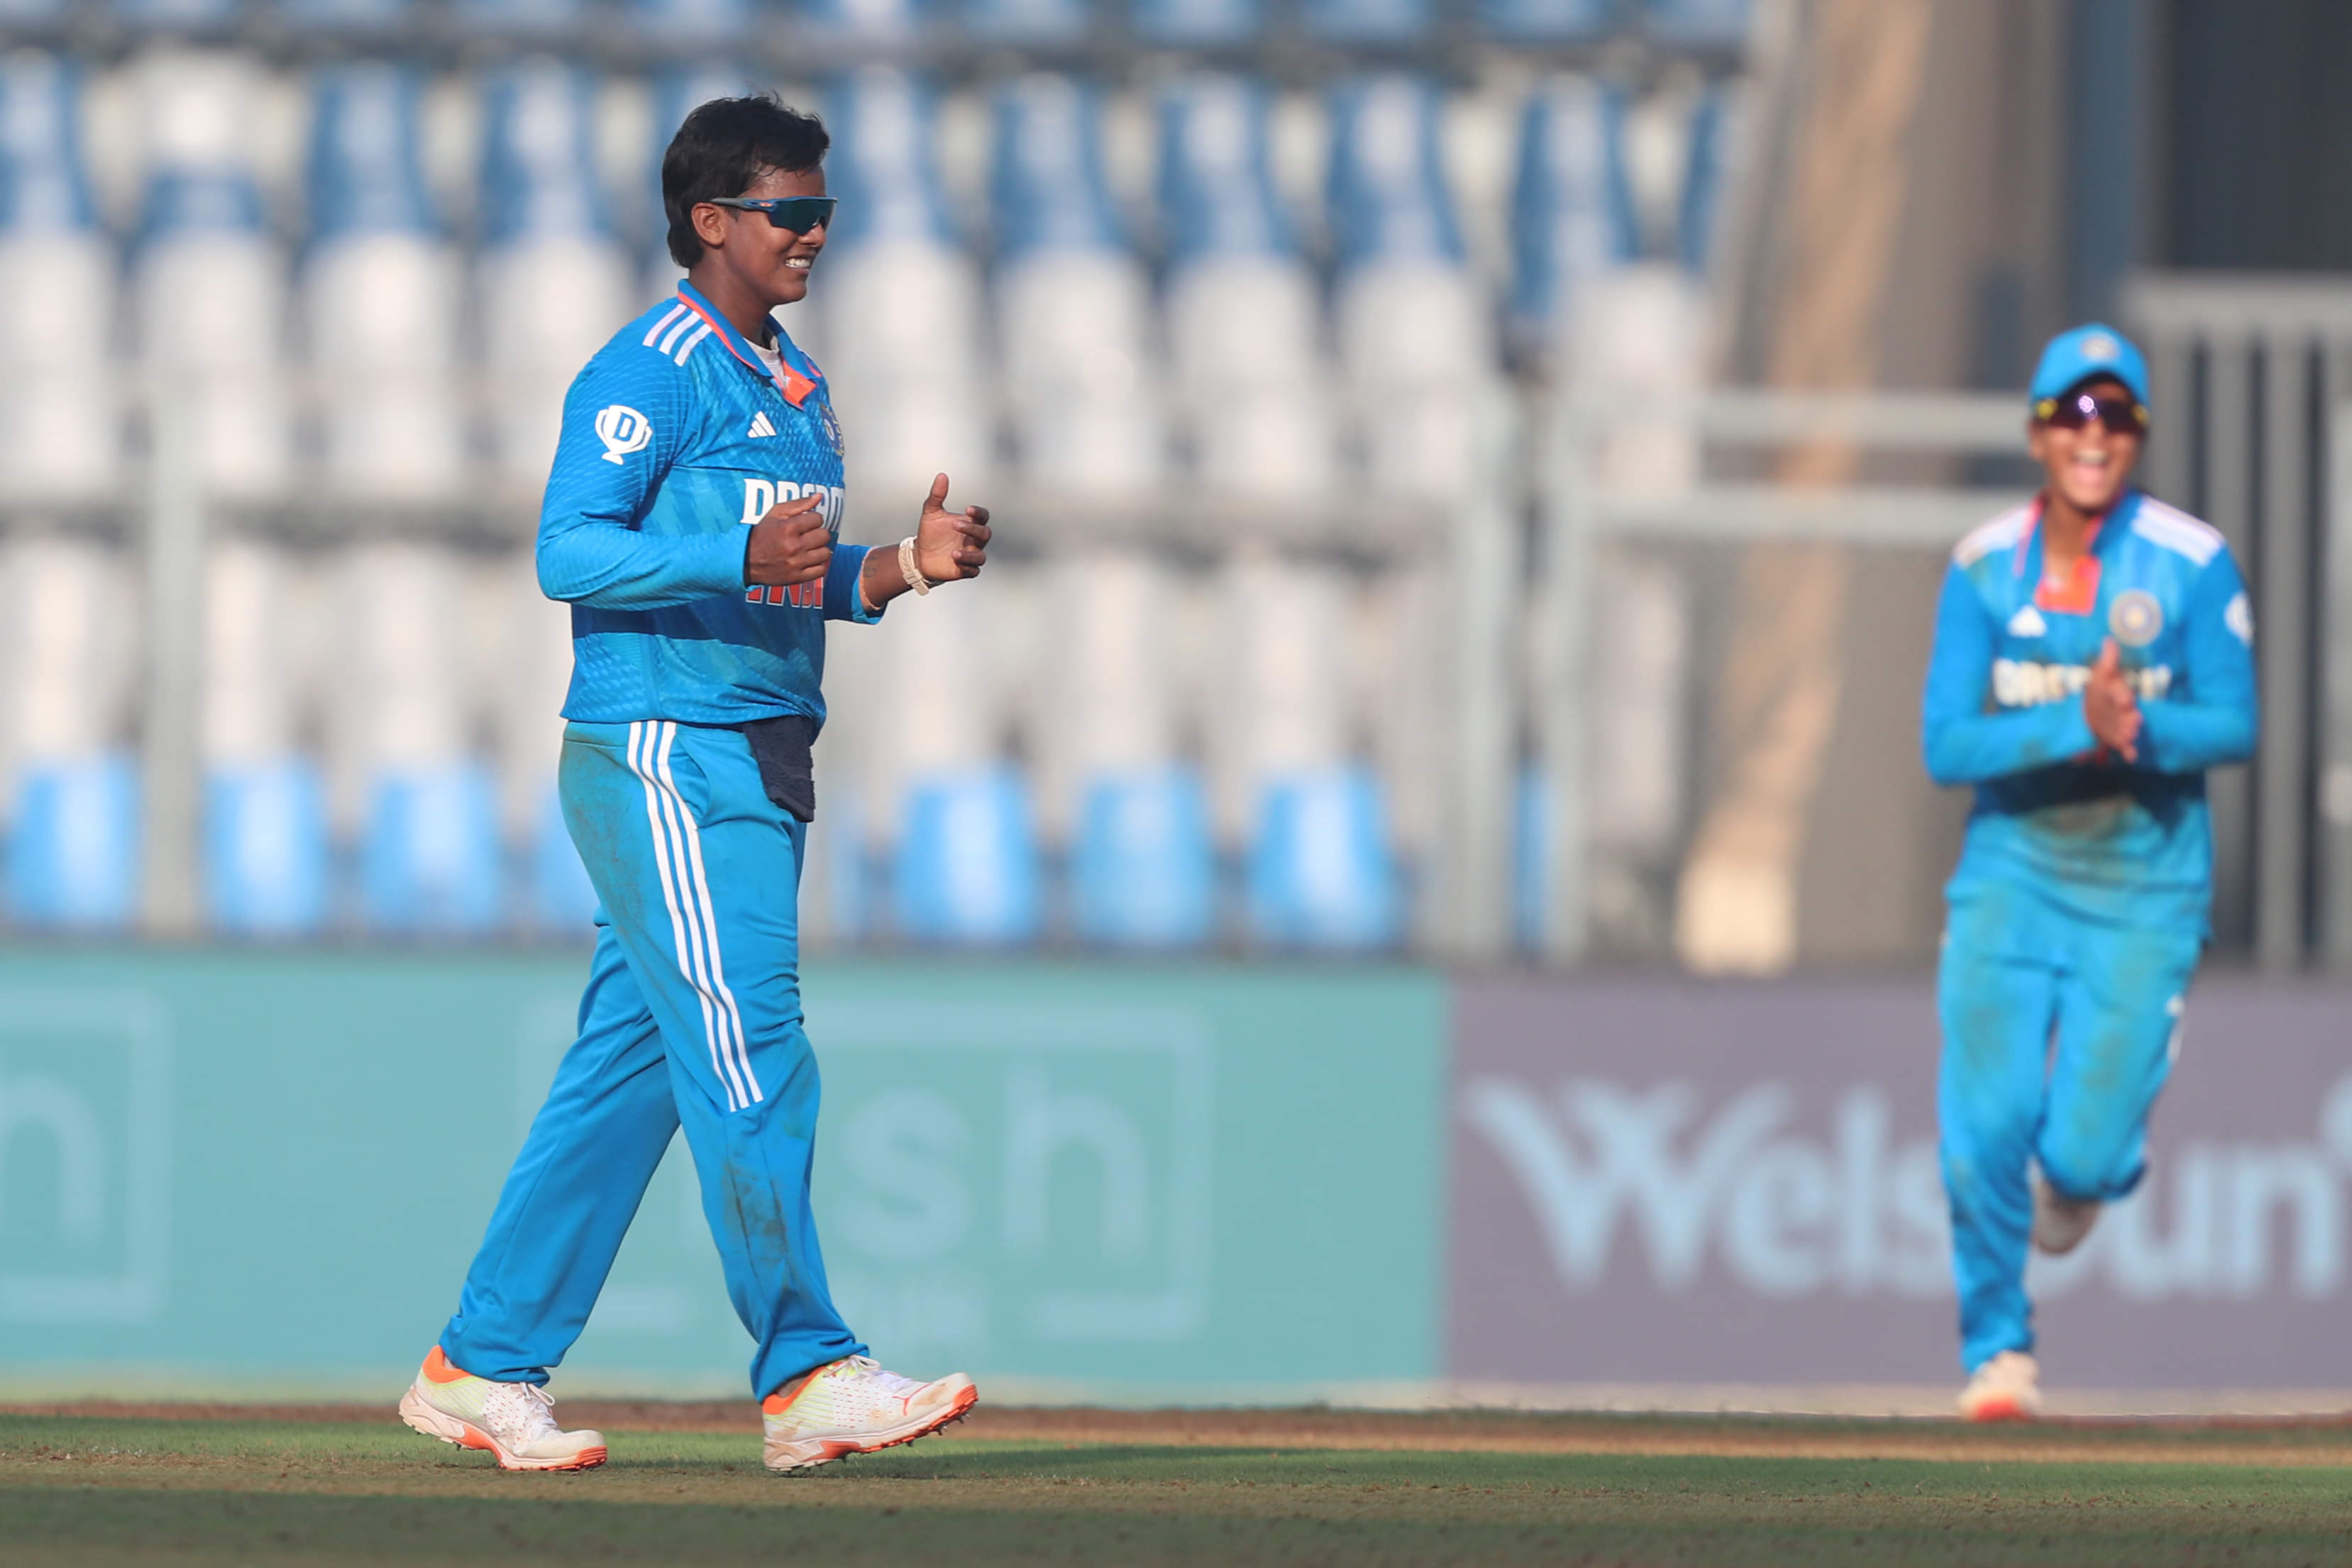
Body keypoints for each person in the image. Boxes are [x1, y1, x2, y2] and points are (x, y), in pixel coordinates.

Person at [397, 95, 992, 1472]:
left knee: (632, 1076)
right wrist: (734, 559)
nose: (815, 233)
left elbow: (790, 580)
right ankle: (808, 1371)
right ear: (712, 219)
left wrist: (901, 566)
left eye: (825, 210)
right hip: (665, 745)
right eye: (793, 210)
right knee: (751, 1044)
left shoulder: (793, 382)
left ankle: (481, 1362)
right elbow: (567, 550)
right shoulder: (649, 371)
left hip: (758, 750)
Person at [1922, 324, 2257, 1420]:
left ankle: (2090, 1166)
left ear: (2138, 436)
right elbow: (1946, 744)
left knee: (2082, 1155)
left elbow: (2236, 722)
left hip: (2143, 888)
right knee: (1984, 1129)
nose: (2093, 435)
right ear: (2037, 435)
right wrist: (2079, 722)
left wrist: (2137, 728)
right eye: (2072, 413)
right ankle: (1997, 1353)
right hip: (2012, 874)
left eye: (2115, 415)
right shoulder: (1983, 567)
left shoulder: (2192, 561)